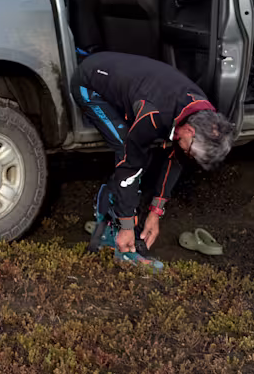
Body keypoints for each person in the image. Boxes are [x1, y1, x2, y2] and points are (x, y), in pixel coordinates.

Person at [72, 52, 236, 271]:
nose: (189, 155)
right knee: (126, 148)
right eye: (191, 152)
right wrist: (128, 224)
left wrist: (156, 212)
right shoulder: (154, 114)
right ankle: (110, 231)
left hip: (137, 83)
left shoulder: (204, 114)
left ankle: (114, 220)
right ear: (189, 130)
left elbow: (176, 158)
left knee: (144, 153)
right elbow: (129, 167)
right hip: (89, 82)